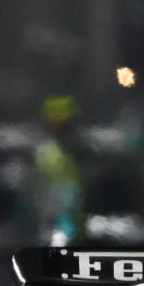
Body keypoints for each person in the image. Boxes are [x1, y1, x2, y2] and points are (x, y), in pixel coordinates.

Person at [33, 95, 86, 243]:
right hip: (51, 216)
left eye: (66, 124)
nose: (61, 128)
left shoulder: (83, 152)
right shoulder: (43, 153)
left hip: (78, 215)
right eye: (57, 124)